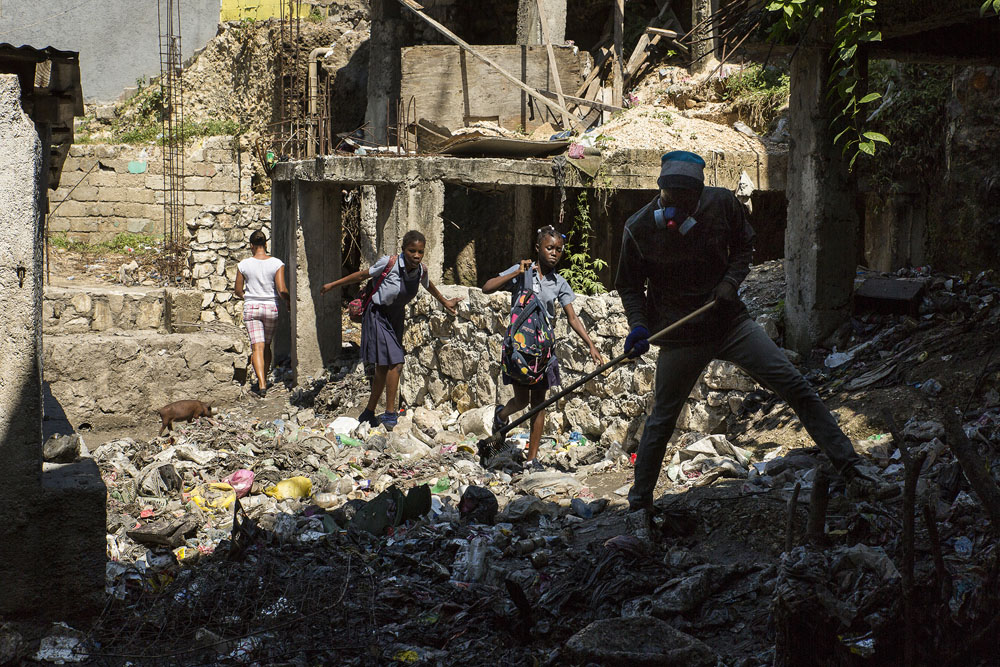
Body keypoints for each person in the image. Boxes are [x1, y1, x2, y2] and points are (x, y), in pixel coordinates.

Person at [616, 150, 868, 520]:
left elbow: (745, 246)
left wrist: (731, 282)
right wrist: (638, 325)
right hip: (680, 336)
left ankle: (852, 469)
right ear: (660, 192)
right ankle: (639, 505)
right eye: (671, 198)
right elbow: (629, 287)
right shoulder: (638, 229)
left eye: (687, 199)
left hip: (730, 323)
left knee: (794, 386)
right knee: (661, 420)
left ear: (699, 195)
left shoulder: (722, 205)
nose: (679, 207)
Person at [483, 225, 604, 469]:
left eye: (559, 250)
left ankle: (531, 459)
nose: (554, 253)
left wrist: (590, 344)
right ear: (538, 248)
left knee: (539, 404)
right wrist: (516, 272)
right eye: (549, 248)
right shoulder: (522, 273)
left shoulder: (559, 283)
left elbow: (572, 317)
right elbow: (487, 287)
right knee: (521, 401)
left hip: (543, 352)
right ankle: (501, 417)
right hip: (519, 351)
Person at [321, 230, 462, 431]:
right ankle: (390, 414)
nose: (416, 255)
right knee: (396, 362)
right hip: (377, 314)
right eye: (412, 251)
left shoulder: (420, 270)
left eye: (420, 252)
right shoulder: (390, 263)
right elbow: (363, 275)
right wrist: (333, 285)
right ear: (404, 249)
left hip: (396, 317)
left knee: (382, 366)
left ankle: (369, 412)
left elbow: (428, 285)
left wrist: (445, 301)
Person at [235, 230, 289, 398]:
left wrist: (248, 298)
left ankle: (261, 384)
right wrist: (288, 302)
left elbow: (237, 290)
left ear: (251, 246)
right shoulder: (276, 263)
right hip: (271, 308)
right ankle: (264, 377)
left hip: (252, 308)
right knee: (266, 345)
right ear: (266, 244)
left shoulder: (243, 264)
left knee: (256, 347)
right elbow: (282, 289)